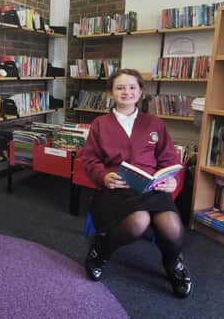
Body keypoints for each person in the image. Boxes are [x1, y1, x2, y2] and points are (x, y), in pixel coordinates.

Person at [81, 68, 192, 298]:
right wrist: (104, 176)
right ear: (111, 93)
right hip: (117, 188)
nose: (126, 92)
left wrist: (171, 180)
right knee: (138, 221)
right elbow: (90, 159)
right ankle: (99, 252)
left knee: (172, 227)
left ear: (141, 92)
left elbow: (169, 159)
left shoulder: (155, 124)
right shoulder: (100, 124)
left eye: (132, 87)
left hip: (151, 188)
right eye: (120, 87)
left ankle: (173, 265)